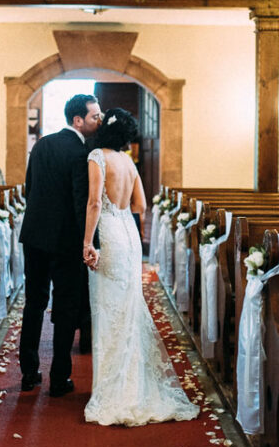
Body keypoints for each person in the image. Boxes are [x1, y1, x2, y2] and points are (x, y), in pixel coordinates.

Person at [81, 108, 198, 426]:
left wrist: (88, 242)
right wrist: (122, 215)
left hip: (109, 235)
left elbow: (94, 202)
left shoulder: (97, 157)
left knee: (109, 311)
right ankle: (133, 386)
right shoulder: (128, 162)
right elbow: (140, 205)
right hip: (129, 238)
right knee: (128, 309)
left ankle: (112, 390)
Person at [18, 93, 102, 397]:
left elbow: (29, 188)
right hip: (66, 240)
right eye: (95, 116)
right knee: (66, 308)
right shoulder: (83, 153)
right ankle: (59, 378)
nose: (99, 121)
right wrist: (88, 242)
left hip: (35, 235)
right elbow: (82, 202)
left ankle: (29, 372)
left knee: (34, 302)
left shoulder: (41, 145)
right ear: (78, 120)